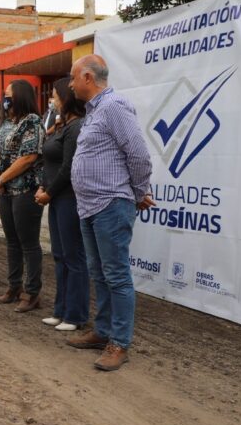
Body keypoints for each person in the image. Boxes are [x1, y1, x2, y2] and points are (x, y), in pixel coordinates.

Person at [67, 54, 154, 372]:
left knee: (116, 276)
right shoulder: (93, 112)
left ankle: (120, 343)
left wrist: (139, 191)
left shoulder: (115, 105)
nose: (71, 83)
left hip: (110, 205)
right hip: (89, 207)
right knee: (99, 273)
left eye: (74, 77)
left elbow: (139, 153)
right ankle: (103, 332)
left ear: (88, 77)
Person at [36, 78, 90, 332]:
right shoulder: (61, 126)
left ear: (66, 99)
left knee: (73, 257)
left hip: (68, 198)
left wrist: (49, 192)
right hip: (55, 198)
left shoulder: (76, 127)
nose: (53, 101)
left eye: (56, 97)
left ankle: (76, 315)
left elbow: (69, 167)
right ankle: (61, 310)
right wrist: (43, 187)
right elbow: (48, 160)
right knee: (59, 255)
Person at [0, 80, 45, 312]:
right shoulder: (7, 122)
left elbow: (28, 157)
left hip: (25, 191)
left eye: (8, 95)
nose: (5, 99)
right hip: (5, 192)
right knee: (11, 241)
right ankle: (13, 286)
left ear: (20, 96)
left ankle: (31, 292)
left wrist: (2, 179)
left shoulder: (32, 122)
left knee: (29, 243)